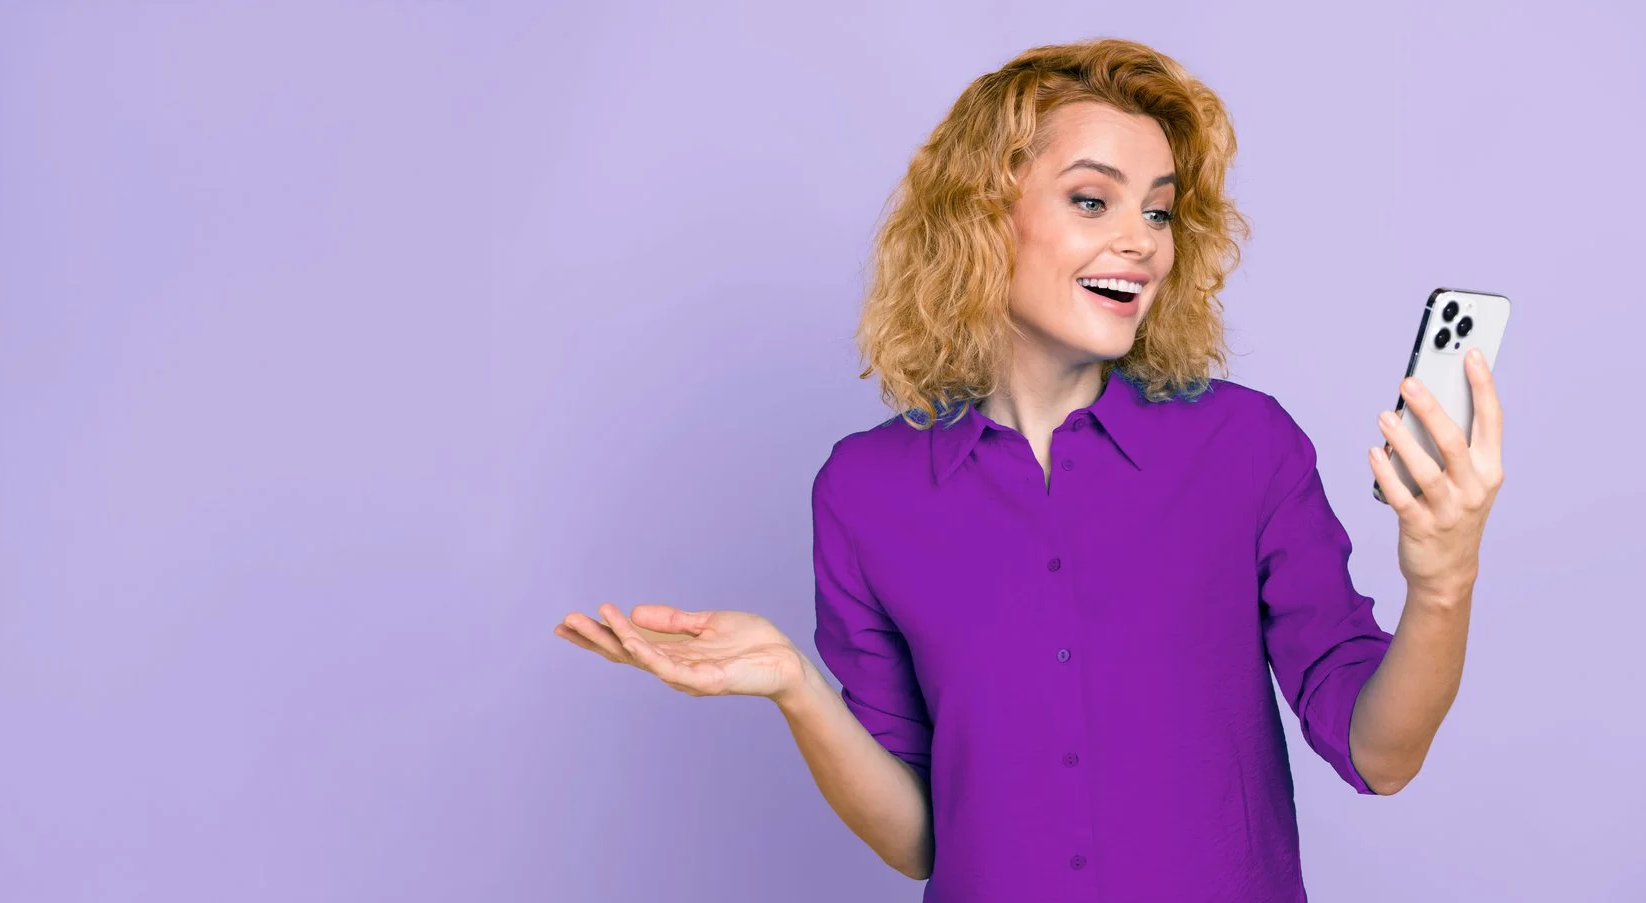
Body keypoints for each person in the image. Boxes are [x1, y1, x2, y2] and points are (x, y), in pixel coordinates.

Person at [553, 37, 1505, 902]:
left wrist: (1443, 581)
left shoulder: (1246, 446)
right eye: (1093, 200)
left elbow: (1381, 754)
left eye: (1160, 210)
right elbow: (920, 839)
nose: (1142, 239)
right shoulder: (863, 493)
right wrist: (795, 685)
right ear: (982, 217)